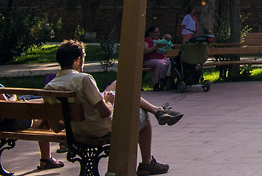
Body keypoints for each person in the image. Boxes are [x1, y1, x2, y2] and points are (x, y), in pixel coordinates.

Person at [36, 40, 182, 175]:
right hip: (101, 128)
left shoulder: (50, 87)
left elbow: (56, 126)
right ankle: (147, 162)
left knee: (119, 86)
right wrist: (109, 101)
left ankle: (158, 111)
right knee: (142, 112)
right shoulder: (84, 79)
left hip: (76, 131)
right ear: (77, 60)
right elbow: (105, 113)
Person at [142, 25, 172, 91]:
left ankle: (166, 81)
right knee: (159, 64)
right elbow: (146, 51)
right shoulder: (146, 40)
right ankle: (156, 83)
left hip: (161, 58)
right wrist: (155, 47)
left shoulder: (159, 40)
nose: (157, 34)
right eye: (155, 32)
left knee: (170, 62)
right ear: (150, 33)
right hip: (149, 60)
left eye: (158, 32)